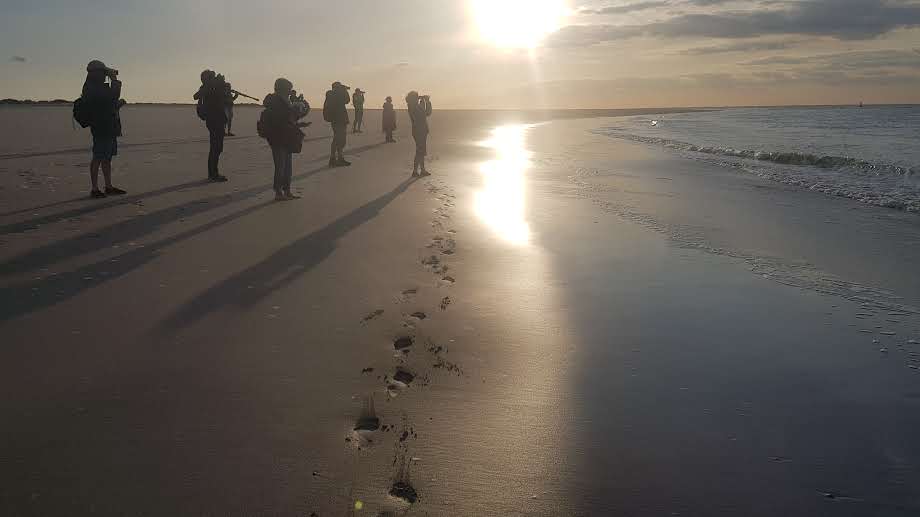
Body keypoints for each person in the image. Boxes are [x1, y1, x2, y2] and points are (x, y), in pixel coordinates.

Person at [82, 60, 127, 198]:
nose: (105, 74)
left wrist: (117, 105)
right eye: (103, 72)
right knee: (98, 157)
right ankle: (94, 189)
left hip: (108, 125)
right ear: (96, 73)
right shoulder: (93, 87)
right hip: (102, 126)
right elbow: (112, 97)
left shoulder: (95, 86)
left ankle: (108, 186)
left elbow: (108, 103)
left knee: (106, 157)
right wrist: (114, 79)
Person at [262, 78, 309, 201]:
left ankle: (286, 191)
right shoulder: (277, 102)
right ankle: (279, 192)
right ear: (283, 89)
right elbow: (282, 121)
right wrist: (300, 112)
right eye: (289, 89)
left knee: (286, 166)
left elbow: (288, 119)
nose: (290, 92)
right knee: (281, 166)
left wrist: (298, 123)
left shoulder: (282, 101)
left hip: (284, 137)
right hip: (278, 138)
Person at [193, 71, 230, 182]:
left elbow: (225, 97)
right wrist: (215, 84)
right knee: (216, 147)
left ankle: (213, 173)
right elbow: (196, 96)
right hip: (214, 120)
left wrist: (221, 85)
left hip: (215, 119)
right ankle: (213, 174)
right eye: (212, 77)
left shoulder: (211, 87)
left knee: (216, 147)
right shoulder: (208, 87)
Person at [323, 81, 351, 167]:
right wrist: (345, 90)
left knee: (338, 139)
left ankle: (337, 158)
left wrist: (343, 90)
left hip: (337, 119)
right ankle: (336, 158)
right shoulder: (334, 94)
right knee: (339, 139)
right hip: (339, 119)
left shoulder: (331, 94)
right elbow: (347, 100)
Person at [406, 91, 432, 177]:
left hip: (417, 130)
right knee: (420, 151)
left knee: (421, 150)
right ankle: (416, 170)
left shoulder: (411, 106)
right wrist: (426, 102)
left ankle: (421, 170)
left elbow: (424, 113)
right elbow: (427, 113)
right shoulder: (415, 107)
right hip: (420, 130)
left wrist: (422, 102)